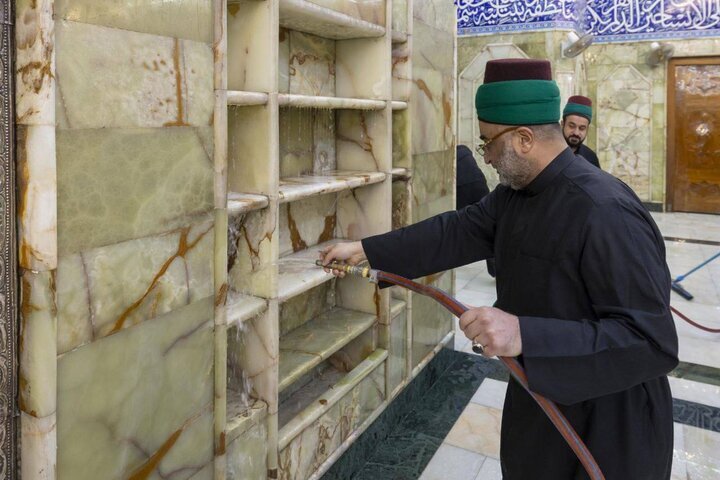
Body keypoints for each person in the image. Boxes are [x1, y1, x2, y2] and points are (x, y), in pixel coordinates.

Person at [320, 58, 678, 480]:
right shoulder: (515, 194)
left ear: (524, 139)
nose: (484, 155)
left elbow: (652, 343)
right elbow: (454, 231)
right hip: (540, 398)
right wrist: (366, 249)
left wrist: (523, 332)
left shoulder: (605, 210)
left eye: (488, 142)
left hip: (610, 426)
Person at [456, 144, 495, 277]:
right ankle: (494, 268)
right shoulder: (464, 152)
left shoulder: (458, 155)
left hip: (465, 193)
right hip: (480, 190)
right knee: (489, 231)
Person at [562, 95, 601, 168]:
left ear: (587, 129)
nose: (576, 133)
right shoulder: (547, 152)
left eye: (582, 128)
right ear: (562, 124)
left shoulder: (591, 158)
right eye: (571, 126)